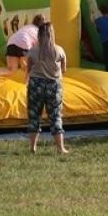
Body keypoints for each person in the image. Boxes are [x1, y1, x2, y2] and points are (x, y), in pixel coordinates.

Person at [25, 20, 69, 155]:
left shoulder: (33, 51)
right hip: (53, 85)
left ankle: (32, 147)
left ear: (39, 35)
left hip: (36, 84)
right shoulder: (59, 50)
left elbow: (28, 69)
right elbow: (64, 69)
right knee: (55, 116)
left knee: (34, 115)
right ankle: (60, 148)